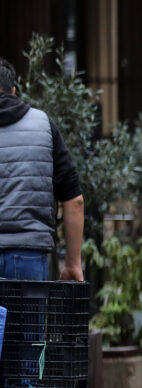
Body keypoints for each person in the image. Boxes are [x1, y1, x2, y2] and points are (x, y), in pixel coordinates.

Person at [0, 57, 84, 282]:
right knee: (26, 317)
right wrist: (73, 263)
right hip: (29, 254)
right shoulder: (44, 125)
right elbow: (74, 199)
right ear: (14, 91)